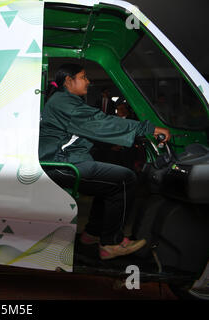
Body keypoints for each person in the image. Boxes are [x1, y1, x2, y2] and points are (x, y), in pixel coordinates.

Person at [39, 63, 170, 260]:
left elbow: (83, 131)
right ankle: (111, 243)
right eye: (83, 77)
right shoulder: (64, 102)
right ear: (68, 81)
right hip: (61, 164)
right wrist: (147, 129)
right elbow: (99, 122)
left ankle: (92, 233)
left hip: (67, 159)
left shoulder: (66, 101)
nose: (88, 81)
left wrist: (112, 144)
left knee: (109, 181)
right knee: (125, 179)